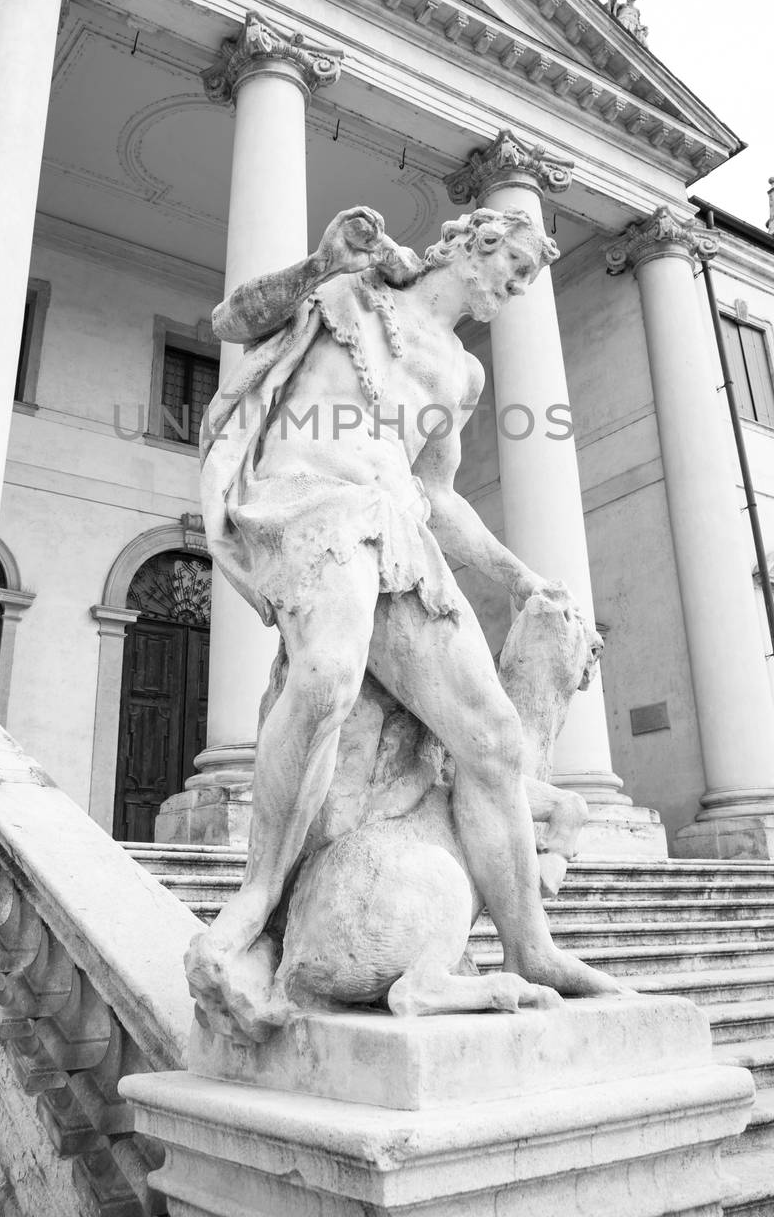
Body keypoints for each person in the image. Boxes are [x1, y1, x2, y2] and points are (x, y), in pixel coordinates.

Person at [188, 205, 622, 1037]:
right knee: (326, 674)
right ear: (471, 246)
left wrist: (520, 576)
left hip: (395, 525)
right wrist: (315, 263)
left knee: (493, 737)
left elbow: (440, 496)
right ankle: (254, 901)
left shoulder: (462, 373)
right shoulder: (348, 295)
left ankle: (532, 947)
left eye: (528, 278)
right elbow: (230, 320)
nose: (518, 286)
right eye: (516, 268)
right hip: (306, 499)